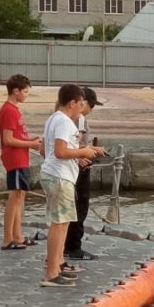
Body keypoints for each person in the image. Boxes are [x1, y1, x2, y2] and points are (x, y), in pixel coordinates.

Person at [40, 85, 106, 287]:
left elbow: (47, 148)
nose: (82, 108)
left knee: (63, 222)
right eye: (81, 103)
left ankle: (58, 263)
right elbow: (61, 151)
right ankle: (51, 273)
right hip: (60, 176)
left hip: (56, 174)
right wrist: (83, 154)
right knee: (59, 225)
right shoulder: (65, 122)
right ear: (73, 103)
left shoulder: (54, 118)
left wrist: (88, 149)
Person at [0, 74, 43, 251]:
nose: (27, 94)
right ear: (15, 91)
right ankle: (7, 238)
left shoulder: (14, 110)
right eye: (25, 91)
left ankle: (18, 235)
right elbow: (8, 139)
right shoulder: (8, 110)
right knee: (14, 197)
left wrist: (29, 140)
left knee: (20, 196)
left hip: (21, 157)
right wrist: (31, 144)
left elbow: (16, 136)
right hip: (14, 159)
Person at [64, 86, 102, 262]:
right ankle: (73, 247)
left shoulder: (64, 118)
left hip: (73, 166)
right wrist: (83, 155)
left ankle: (66, 246)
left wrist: (93, 149)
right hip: (77, 168)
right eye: (91, 105)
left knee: (71, 209)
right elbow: (74, 145)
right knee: (79, 207)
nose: (91, 110)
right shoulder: (78, 120)